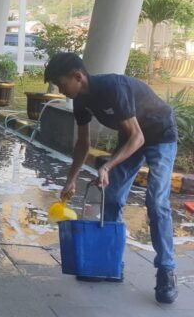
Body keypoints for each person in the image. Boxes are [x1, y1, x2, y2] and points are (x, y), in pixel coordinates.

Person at [44, 52, 178, 304]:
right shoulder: (80, 100)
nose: (61, 91)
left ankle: (166, 270)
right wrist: (71, 179)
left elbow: (138, 137)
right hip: (131, 138)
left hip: (160, 134)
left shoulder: (113, 87)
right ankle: (111, 264)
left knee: (157, 203)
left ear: (78, 76)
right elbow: (83, 143)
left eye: (62, 84)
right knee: (112, 197)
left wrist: (107, 166)